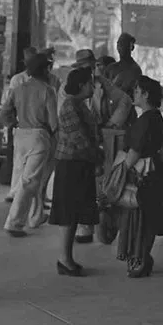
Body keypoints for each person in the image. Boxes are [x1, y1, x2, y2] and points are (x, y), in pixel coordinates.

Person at [115, 76, 163, 278]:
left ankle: (139, 259)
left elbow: (135, 151)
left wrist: (118, 172)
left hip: (143, 173)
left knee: (139, 218)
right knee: (141, 218)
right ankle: (140, 258)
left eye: (137, 91)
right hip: (150, 172)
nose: (134, 94)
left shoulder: (147, 119)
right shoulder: (153, 117)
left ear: (146, 94)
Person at [50, 67, 101, 276]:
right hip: (71, 163)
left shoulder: (81, 105)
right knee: (68, 213)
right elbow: (78, 138)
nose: (93, 87)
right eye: (90, 83)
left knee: (73, 213)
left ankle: (67, 258)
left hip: (79, 163)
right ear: (81, 85)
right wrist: (97, 156)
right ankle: (64, 259)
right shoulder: (70, 105)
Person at [1, 53, 58, 237]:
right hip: (39, 136)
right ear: (44, 69)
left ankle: (35, 216)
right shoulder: (47, 90)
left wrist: (13, 124)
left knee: (31, 179)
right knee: (30, 181)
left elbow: (4, 114)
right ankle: (14, 223)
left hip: (20, 135)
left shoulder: (18, 89)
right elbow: (53, 122)